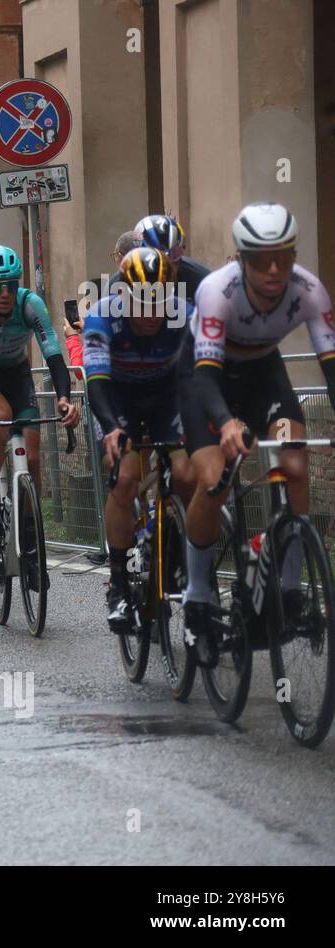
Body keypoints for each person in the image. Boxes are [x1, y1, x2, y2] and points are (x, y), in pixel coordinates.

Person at [178, 202, 335, 666]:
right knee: (214, 479)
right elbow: (205, 376)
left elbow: (330, 366)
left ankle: (288, 590)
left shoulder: (309, 290)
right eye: (261, 259)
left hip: (264, 374)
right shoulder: (216, 291)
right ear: (242, 259)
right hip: (205, 379)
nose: (273, 269)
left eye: (283, 258)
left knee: (294, 461)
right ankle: (199, 598)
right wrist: (226, 423)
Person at [83, 247, 196, 633]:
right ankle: (117, 584)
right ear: (123, 295)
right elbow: (96, 381)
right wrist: (112, 427)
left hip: (165, 398)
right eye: (141, 301)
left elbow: (205, 375)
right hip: (118, 399)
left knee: (186, 473)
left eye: (160, 299)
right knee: (127, 476)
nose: (151, 312)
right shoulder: (102, 316)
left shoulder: (186, 316)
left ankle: (173, 546)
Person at [0, 244, 80, 553]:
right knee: (0, 416)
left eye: (11, 284)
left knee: (33, 458)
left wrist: (64, 399)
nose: (5, 293)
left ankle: (31, 537)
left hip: (16, 375)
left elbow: (55, 359)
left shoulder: (30, 304)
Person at [133, 214, 212, 305]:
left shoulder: (201, 279)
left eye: (174, 254)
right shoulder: (120, 283)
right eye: (156, 261)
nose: (168, 268)